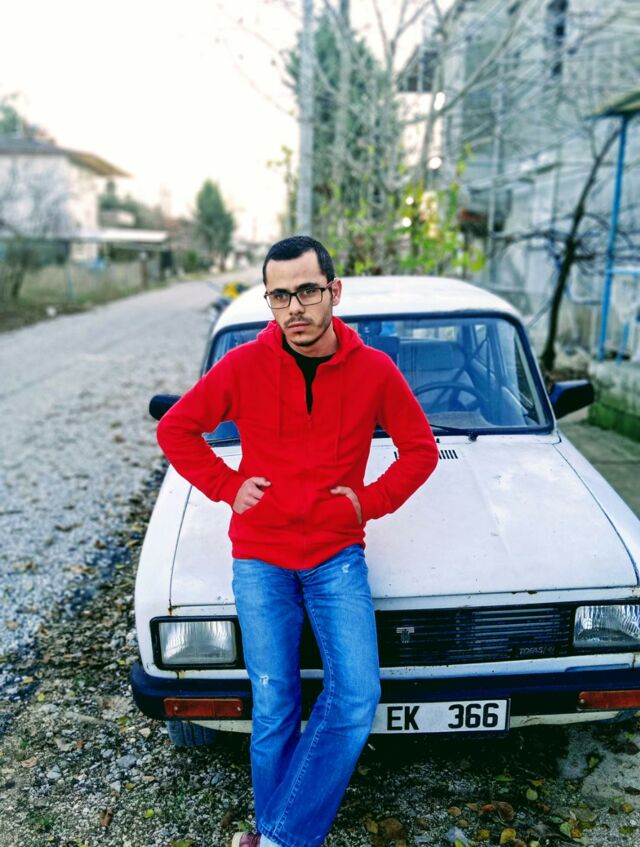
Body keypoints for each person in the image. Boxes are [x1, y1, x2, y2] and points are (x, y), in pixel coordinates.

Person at [156, 236, 439, 847]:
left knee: (357, 694)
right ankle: (279, 837)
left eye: (307, 291)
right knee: (275, 702)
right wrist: (227, 486)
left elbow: (420, 450)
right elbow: (176, 429)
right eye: (279, 295)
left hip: (337, 555)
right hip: (260, 556)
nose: (294, 308)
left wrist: (369, 500)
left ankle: (276, 836)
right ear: (269, 300)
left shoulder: (374, 370)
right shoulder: (243, 366)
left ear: (334, 291)